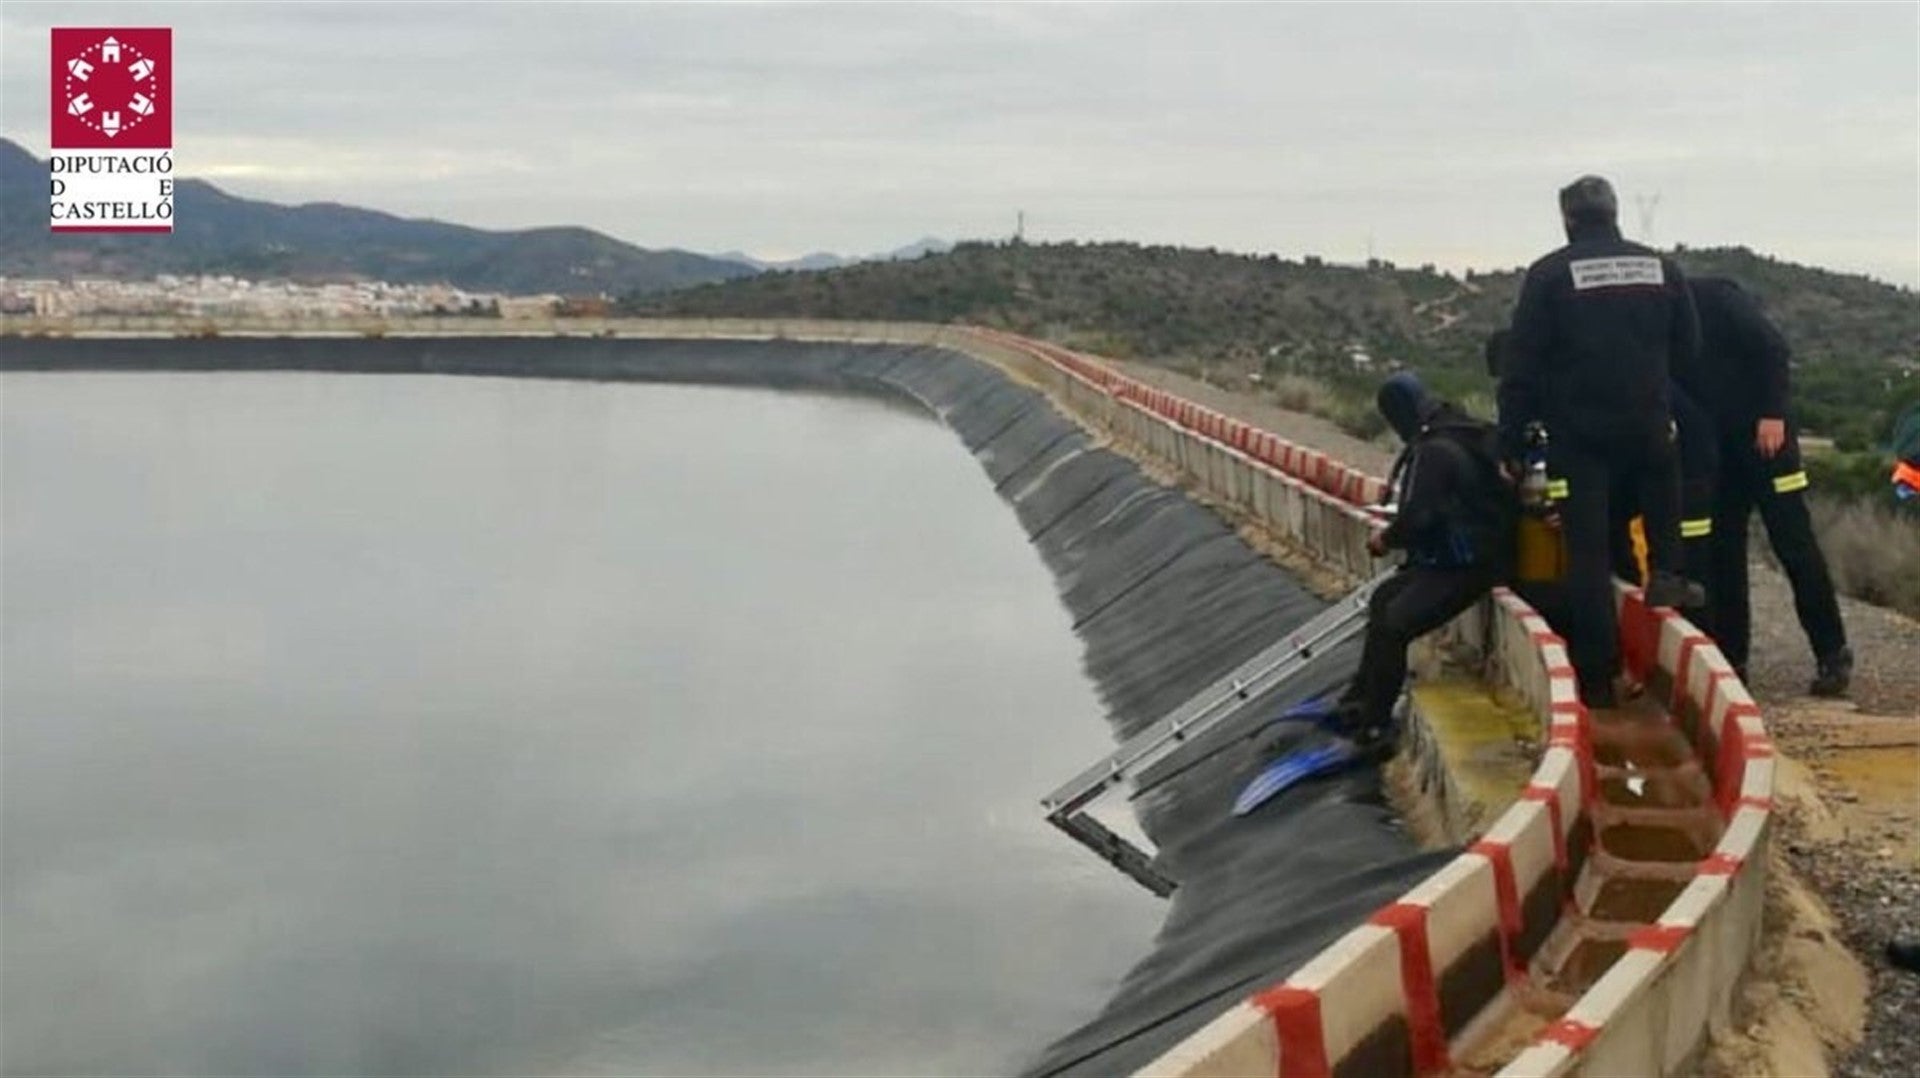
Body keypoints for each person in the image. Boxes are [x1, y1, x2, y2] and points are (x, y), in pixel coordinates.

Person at [1497, 175, 1704, 708]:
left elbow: (1521, 367)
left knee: (1588, 556)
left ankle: (1597, 678)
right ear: (1614, 213)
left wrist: (1511, 443)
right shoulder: (1662, 268)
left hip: (1580, 437)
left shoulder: (1549, 275)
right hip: (1649, 426)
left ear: (1567, 219)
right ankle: (1668, 573)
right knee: (1662, 502)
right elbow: (1689, 348)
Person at [1675, 276, 1851, 695]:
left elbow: (1772, 347)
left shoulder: (1713, 296)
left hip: (1767, 441)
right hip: (1720, 451)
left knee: (1794, 545)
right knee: (1725, 553)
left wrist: (1772, 412)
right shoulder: (1655, 327)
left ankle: (1832, 651)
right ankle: (1732, 659)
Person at [1327, 373, 1514, 746]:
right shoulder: (1458, 433)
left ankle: (1376, 724)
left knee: (1395, 624)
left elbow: (1420, 516)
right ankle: (1360, 697)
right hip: (1464, 558)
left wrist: (1386, 540)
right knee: (1383, 600)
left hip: (1468, 566)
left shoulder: (1435, 451)